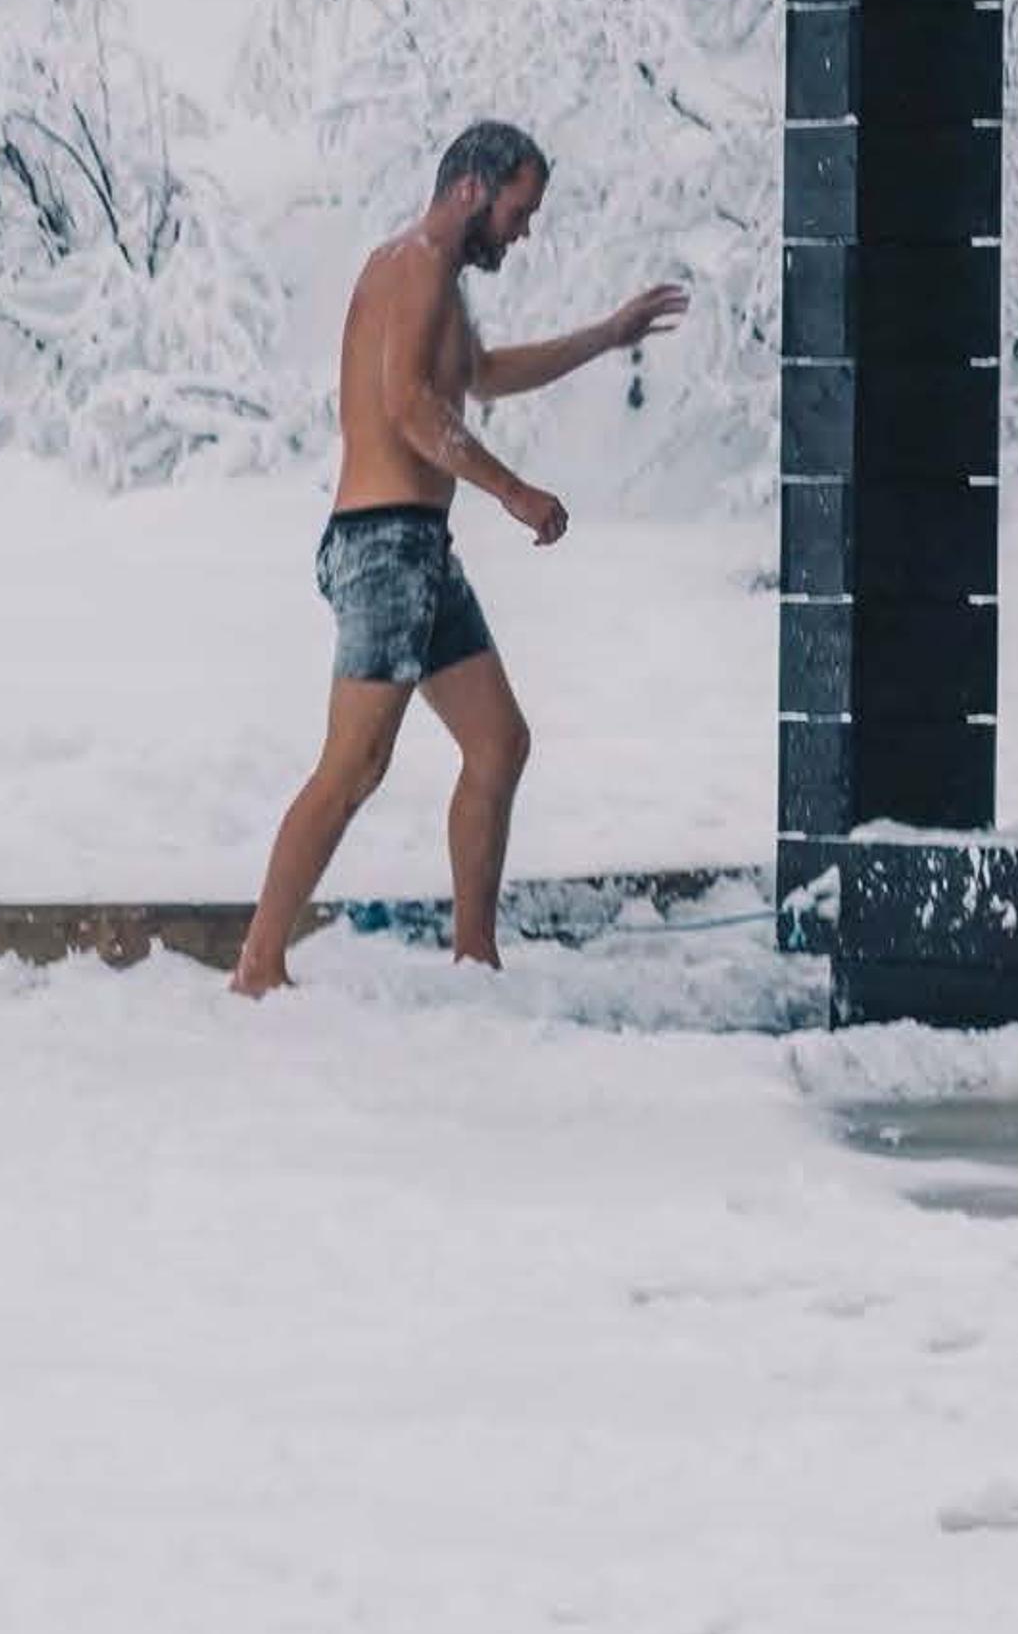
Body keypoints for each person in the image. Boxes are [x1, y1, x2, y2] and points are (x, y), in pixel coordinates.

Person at [231, 120, 687, 998]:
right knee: (355, 764)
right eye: (519, 211)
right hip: (382, 548)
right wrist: (515, 493)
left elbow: (477, 375)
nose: (524, 232)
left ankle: (476, 961)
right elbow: (407, 406)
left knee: (497, 742)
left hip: (417, 549)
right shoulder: (413, 267)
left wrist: (606, 334)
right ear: (472, 189)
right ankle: (257, 969)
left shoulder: (434, 280)